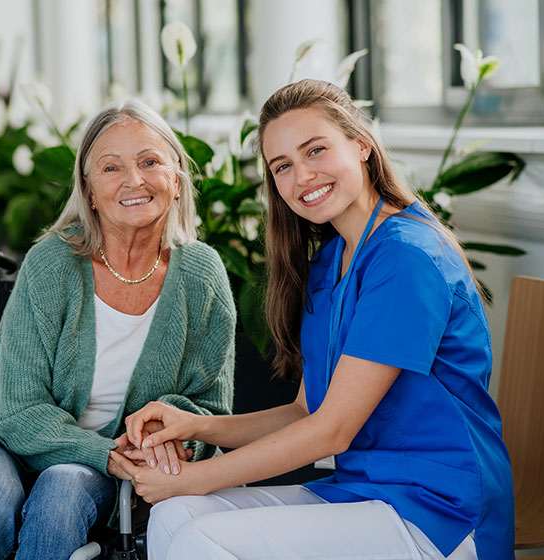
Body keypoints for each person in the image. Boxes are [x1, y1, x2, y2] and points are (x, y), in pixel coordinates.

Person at [111, 79, 514, 559]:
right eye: (283, 166)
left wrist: (193, 477)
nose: (302, 176)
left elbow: (332, 431)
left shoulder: (406, 258)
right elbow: (306, 411)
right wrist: (195, 427)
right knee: (177, 516)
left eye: (316, 150)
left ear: (362, 145)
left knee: (200, 535)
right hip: (363, 492)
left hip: (441, 513)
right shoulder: (331, 261)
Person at [0, 98, 236, 560]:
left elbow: (211, 408)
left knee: (61, 492)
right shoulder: (53, 263)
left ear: (175, 179)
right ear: (90, 192)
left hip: (98, 463)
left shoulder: (201, 274)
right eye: (111, 168)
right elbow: (16, 409)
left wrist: (169, 438)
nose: (134, 180)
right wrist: (110, 456)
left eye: (150, 162)